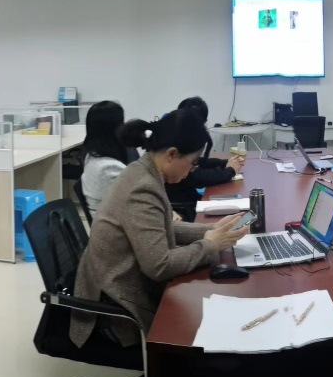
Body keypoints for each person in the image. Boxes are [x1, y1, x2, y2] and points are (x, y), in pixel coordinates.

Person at [70, 109, 248, 353]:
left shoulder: (143, 171)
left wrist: (211, 230)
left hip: (119, 276)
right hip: (117, 298)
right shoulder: (142, 187)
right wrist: (210, 244)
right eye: (193, 162)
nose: (192, 170)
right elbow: (159, 266)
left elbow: (160, 226)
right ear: (172, 154)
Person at [165, 97, 244, 221]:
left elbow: (198, 163)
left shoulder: (175, 133)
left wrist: (225, 163)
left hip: (188, 198)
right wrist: (230, 171)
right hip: (183, 207)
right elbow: (195, 177)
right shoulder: (176, 143)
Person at [79, 101, 129, 220]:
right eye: (122, 122)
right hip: (112, 226)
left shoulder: (92, 155)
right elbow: (136, 203)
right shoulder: (109, 168)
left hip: (108, 220)